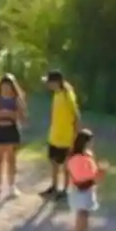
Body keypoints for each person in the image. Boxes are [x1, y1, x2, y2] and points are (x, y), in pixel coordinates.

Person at [41, 70, 81, 200]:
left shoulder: (67, 95)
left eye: (49, 82)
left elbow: (76, 115)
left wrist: (76, 135)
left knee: (66, 164)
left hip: (66, 136)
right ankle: (54, 186)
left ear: (56, 82)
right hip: (55, 135)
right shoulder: (56, 94)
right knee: (53, 161)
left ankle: (65, 189)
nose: (48, 85)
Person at [64, 129, 102, 231]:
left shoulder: (85, 156)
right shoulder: (77, 159)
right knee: (80, 225)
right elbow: (83, 178)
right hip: (81, 193)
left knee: (84, 225)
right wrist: (100, 174)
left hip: (86, 191)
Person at [0, 75, 28, 197]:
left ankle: (12, 187)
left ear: (12, 87)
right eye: (3, 86)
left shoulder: (16, 100)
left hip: (11, 130)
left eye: (8, 86)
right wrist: (0, 114)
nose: (5, 89)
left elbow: (23, 119)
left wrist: (13, 113)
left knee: (11, 160)